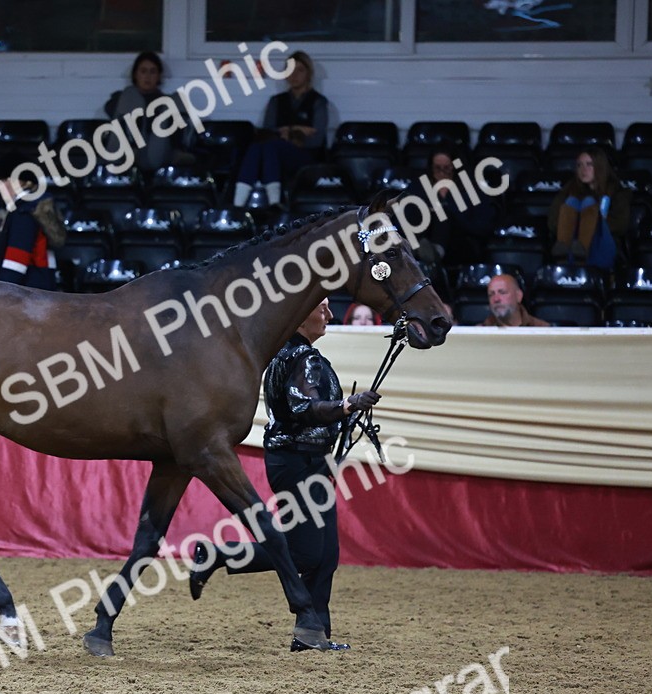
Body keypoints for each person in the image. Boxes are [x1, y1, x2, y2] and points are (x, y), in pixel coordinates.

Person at [188, 299, 381, 651]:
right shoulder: (302, 358)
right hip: (297, 462)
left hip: (304, 460)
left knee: (327, 554)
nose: (329, 314)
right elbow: (303, 408)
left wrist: (343, 417)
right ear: (298, 314)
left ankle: (313, 632)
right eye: (320, 307)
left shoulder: (289, 354)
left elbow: (304, 413)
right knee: (308, 555)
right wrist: (346, 406)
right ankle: (219, 555)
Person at [232, 51, 327, 208]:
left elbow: (316, 139)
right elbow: (267, 132)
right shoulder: (276, 101)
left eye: (300, 70)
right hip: (275, 151)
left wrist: (285, 131)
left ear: (308, 73)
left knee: (271, 145)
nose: (294, 75)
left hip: (305, 156)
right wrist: (297, 130)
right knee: (258, 147)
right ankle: (238, 204)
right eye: (290, 70)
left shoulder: (318, 102)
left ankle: (274, 201)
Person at [406, 145, 498, 267]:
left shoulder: (471, 189)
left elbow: (483, 226)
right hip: (424, 237)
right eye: (437, 168)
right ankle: (417, 251)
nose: (442, 172)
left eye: (447, 168)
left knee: (443, 216)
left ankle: (435, 252)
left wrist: (451, 214)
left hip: (461, 243)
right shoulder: (419, 187)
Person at [103, 52, 194, 172]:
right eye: (143, 71)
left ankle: (179, 151)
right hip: (123, 153)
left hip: (157, 152)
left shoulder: (167, 102)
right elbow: (112, 113)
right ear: (135, 75)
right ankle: (132, 149)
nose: (147, 76)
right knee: (130, 94)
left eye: (152, 72)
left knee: (178, 98)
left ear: (159, 76)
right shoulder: (121, 99)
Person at [548, 148, 631, 271]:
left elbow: (621, 224)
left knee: (588, 202)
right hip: (571, 243)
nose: (583, 170)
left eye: (589, 164)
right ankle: (566, 254)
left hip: (602, 244)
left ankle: (581, 251)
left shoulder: (618, 192)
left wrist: (591, 224)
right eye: (579, 165)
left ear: (600, 167)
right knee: (572, 201)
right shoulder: (569, 190)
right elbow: (553, 222)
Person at [0, 159, 66, 290]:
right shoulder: (34, 206)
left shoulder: (23, 212)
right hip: (41, 284)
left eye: (3, 181)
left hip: (28, 291)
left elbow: (16, 262)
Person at [478, 274, 550, 327]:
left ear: (519, 296)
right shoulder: (479, 332)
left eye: (502, 292)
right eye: (491, 294)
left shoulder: (541, 328)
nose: (496, 299)